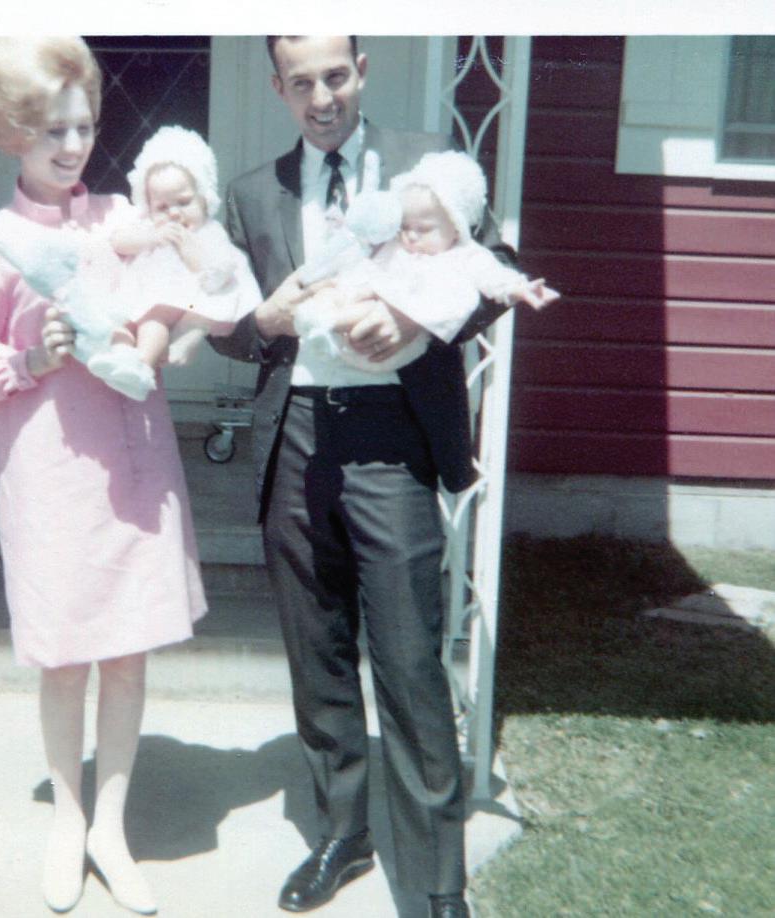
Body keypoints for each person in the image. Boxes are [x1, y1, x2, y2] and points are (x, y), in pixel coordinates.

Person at [211, 36, 517, 918]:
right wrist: (263, 323)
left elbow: (494, 270)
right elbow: (226, 322)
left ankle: (437, 878)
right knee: (318, 652)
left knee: (411, 659)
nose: (322, 98)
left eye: (336, 76)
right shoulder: (252, 193)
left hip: (392, 435)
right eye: (302, 82)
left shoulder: (427, 163)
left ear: (363, 70)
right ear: (278, 86)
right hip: (297, 435)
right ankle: (343, 835)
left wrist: (416, 324)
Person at [0, 37, 206, 915]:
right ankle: (68, 820)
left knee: (127, 653)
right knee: (63, 659)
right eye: (51, 129)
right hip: (52, 477)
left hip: (132, 464)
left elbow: (178, 298)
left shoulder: (121, 218)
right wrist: (30, 358)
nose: (72, 145)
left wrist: (159, 334)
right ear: (11, 132)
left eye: (84, 126)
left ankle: (110, 830)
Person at [295, 149, 558, 374]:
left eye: (424, 229)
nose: (410, 236)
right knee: (341, 291)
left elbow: (494, 276)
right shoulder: (397, 246)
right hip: (363, 337)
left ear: (455, 227)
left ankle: (325, 325)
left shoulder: (465, 254)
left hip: (394, 345)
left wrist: (521, 288)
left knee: (368, 307)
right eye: (405, 226)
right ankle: (320, 325)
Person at [112, 125, 262, 368]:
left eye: (183, 202)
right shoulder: (150, 228)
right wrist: (150, 238)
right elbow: (118, 242)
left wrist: (192, 254)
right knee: (127, 323)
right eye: (162, 207)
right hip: (147, 296)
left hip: (188, 301)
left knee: (160, 319)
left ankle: (148, 361)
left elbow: (219, 273)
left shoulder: (208, 233)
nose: (173, 213)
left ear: (204, 199)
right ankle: (127, 362)